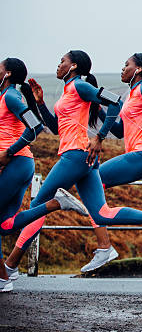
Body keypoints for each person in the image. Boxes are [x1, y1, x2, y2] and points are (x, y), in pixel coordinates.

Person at [4, 51, 142, 285]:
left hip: (76, 156)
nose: (58, 65)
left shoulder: (80, 86)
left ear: (74, 66)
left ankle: (10, 266)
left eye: (62, 62)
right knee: (102, 214)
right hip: (82, 157)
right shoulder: (69, 90)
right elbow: (56, 129)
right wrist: (40, 104)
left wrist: (99, 137)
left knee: (39, 205)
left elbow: (114, 102)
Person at [0, 57, 89, 293]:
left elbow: (35, 128)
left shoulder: (10, 96)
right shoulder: (7, 96)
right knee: (5, 225)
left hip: (16, 164)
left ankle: (3, 277)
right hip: (19, 164)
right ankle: (54, 204)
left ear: (7, 74)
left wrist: (8, 152)